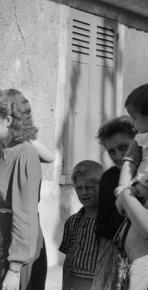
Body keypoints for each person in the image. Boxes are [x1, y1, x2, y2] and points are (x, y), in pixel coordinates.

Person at [0, 88, 47, 290]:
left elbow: (25, 214)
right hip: (3, 241)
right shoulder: (5, 148)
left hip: (16, 246)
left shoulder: (25, 155)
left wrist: (15, 268)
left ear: (8, 121)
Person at [92, 116, 134, 290]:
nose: (117, 156)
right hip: (114, 255)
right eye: (111, 151)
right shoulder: (108, 178)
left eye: (123, 147)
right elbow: (103, 226)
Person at [114, 84, 148, 289]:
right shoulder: (140, 139)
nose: (133, 124)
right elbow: (129, 163)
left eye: (135, 117)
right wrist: (122, 189)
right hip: (139, 190)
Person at [60, 160, 103, 290]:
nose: (84, 193)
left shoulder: (108, 223)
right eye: (79, 188)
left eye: (89, 187)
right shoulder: (72, 222)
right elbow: (67, 260)